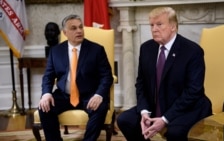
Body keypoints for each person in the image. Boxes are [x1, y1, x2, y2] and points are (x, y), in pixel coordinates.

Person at [117, 7, 212, 141]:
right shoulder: (147, 48)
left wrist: (165, 119)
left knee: (174, 132)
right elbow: (141, 83)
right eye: (152, 25)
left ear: (173, 27)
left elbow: (193, 92)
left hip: (187, 108)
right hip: (155, 105)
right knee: (125, 120)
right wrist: (144, 111)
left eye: (159, 24)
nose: (154, 29)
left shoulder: (192, 51)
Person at [38, 14, 113, 141]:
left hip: (89, 95)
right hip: (64, 95)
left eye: (80, 27)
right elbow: (48, 76)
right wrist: (46, 94)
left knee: (101, 107)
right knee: (44, 107)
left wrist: (98, 95)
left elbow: (107, 76)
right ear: (65, 32)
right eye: (73, 28)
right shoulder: (55, 51)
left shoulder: (96, 50)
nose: (79, 31)